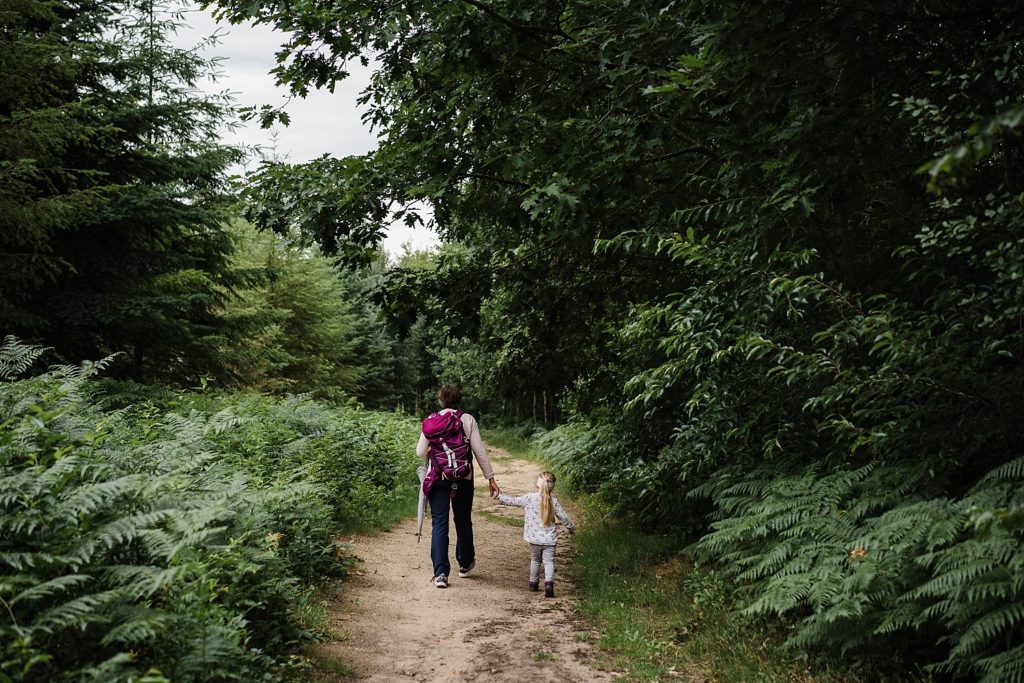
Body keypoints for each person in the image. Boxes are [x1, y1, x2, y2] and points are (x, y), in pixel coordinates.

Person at [417, 383, 501, 588]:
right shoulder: (467, 419)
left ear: (440, 399)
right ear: (458, 398)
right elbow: (479, 451)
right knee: (463, 520)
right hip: (464, 478)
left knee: (439, 524)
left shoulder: (431, 421)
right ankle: (464, 563)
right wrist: (490, 478)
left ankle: (440, 574)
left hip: (438, 478)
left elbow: (420, 452)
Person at [493, 471, 575, 597]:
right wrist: (571, 528)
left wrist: (498, 496)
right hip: (549, 540)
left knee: (535, 560)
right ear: (552, 486)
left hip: (534, 539)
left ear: (538, 484)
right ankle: (548, 583)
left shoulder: (529, 498)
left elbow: (512, 501)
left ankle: (533, 584)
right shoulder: (554, 501)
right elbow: (564, 517)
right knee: (549, 562)